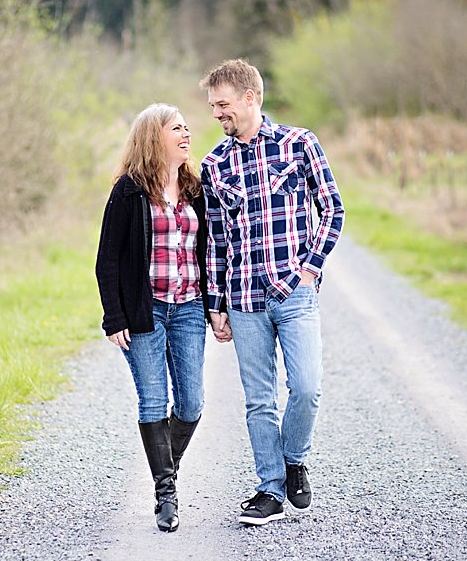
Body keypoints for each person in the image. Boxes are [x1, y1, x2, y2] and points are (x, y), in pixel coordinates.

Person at [199, 59, 345, 526]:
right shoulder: (213, 165)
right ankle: (269, 490)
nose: (217, 114)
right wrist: (215, 306)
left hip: (294, 293)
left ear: (250, 97)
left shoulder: (300, 145)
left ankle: (293, 460)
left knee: (306, 388)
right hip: (242, 301)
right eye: (212, 107)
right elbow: (216, 241)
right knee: (259, 400)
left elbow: (333, 210)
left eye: (223, 104)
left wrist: (309, 269)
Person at [95, 103, 214, 533]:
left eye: (186, 127)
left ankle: (167, 467)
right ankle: (167, 494)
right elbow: (106, 260)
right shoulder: (128, 191)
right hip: (146, 311)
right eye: (176, 128)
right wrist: (114, 317)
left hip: (188, 308)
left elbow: (212, 251)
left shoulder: (196, 188)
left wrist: (215, 304)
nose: (186, 133)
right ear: (153, 137)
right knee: (152, 401)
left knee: (192, 403)